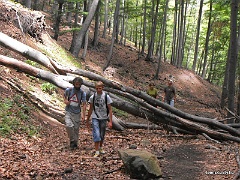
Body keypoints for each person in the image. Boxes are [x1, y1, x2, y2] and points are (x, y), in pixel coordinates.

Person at [86, 81, 113, 157]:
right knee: (96, 134)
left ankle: (100, 147)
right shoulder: (93, 97)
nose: (98, 90)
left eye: (100, 88)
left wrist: (110, 121)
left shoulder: (106, 97)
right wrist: (87, 119)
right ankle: (96, 151)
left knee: (102, 134)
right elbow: (90, 109)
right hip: (95, 117)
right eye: (97, 88)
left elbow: (110, 109)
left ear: (102, 88)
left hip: (104, 117)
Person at [64, 77, 86, 150]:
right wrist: (66, 102)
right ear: (74, 83)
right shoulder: (69, 90)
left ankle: (74, 144)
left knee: (76, 129)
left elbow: (84, 104)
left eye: (79, 84)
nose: (77, 85)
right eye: (76, 84)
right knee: (69, 125)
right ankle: (72, 140)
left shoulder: (82, 93)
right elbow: (65, 98)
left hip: (77, 113)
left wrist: (83, 114)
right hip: (68, 111)